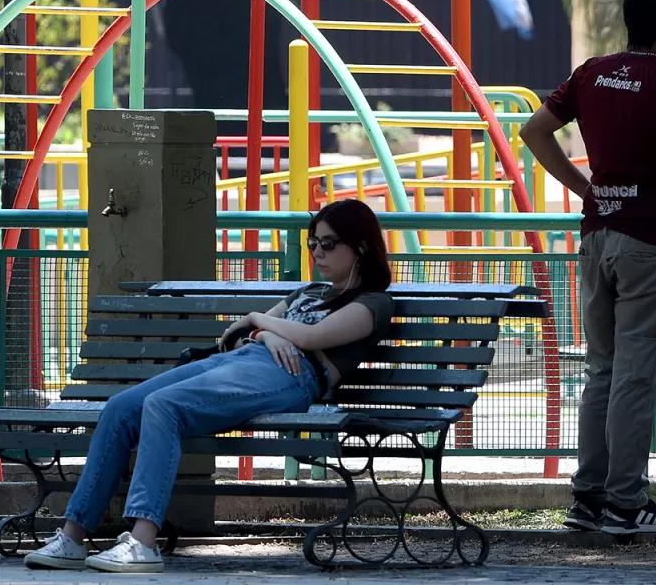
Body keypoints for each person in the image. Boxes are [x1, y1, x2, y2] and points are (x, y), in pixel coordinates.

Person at [24, 198, 394, 572]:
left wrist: (259, 323)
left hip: (291, 375)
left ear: (360, 246)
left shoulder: (373, 304)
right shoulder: (309, 291)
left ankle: (142, 541)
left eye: (328, 243)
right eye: (313, 242)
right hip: (242, 359)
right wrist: (266, 334)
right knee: (121, 408)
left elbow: (310, 338)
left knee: (164, 406)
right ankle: (71, 537)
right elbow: (241, 335)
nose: (317, 251)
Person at [519, 0, 656, 535]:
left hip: (597, 236)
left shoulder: (591, 73)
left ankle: (589, 498)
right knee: (636, 377)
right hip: (651, 239)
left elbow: (534, 131)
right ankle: (627, 505)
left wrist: (587, 190)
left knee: (601, 371)